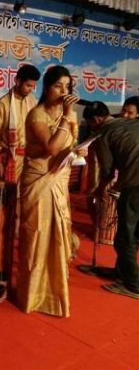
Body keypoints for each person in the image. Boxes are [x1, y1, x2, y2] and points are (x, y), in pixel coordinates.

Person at [16, 65, 83, 317]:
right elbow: (53, 148)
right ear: (46, 88)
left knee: (58, 237)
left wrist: (79, 151)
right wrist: (66, 115)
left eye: (68, 87)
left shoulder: (71, 116)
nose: (64, 92)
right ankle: (31, 296)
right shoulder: (37, 115)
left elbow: (69, 147)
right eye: (58, 86)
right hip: (39, 183)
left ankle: (54, 297)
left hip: (59, 183)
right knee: (37, 237)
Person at [83, 104, 139, 300]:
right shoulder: (129, 122)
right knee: (135, 232)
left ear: (95, 121)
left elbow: (107, 172)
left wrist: (98, 192)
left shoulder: (103, 134)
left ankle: (133, 285)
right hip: (132, 182)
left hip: (135, 184)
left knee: (125, 235)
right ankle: (122, 271)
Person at [0, 64, 41, 184]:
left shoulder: (32, 101)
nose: (30, 89)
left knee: (26, 195)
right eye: (28, 85)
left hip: (28, 157)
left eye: (33, 87)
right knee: (9, 197)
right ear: (18, 81)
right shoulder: (3, 103)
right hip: (10, 158)